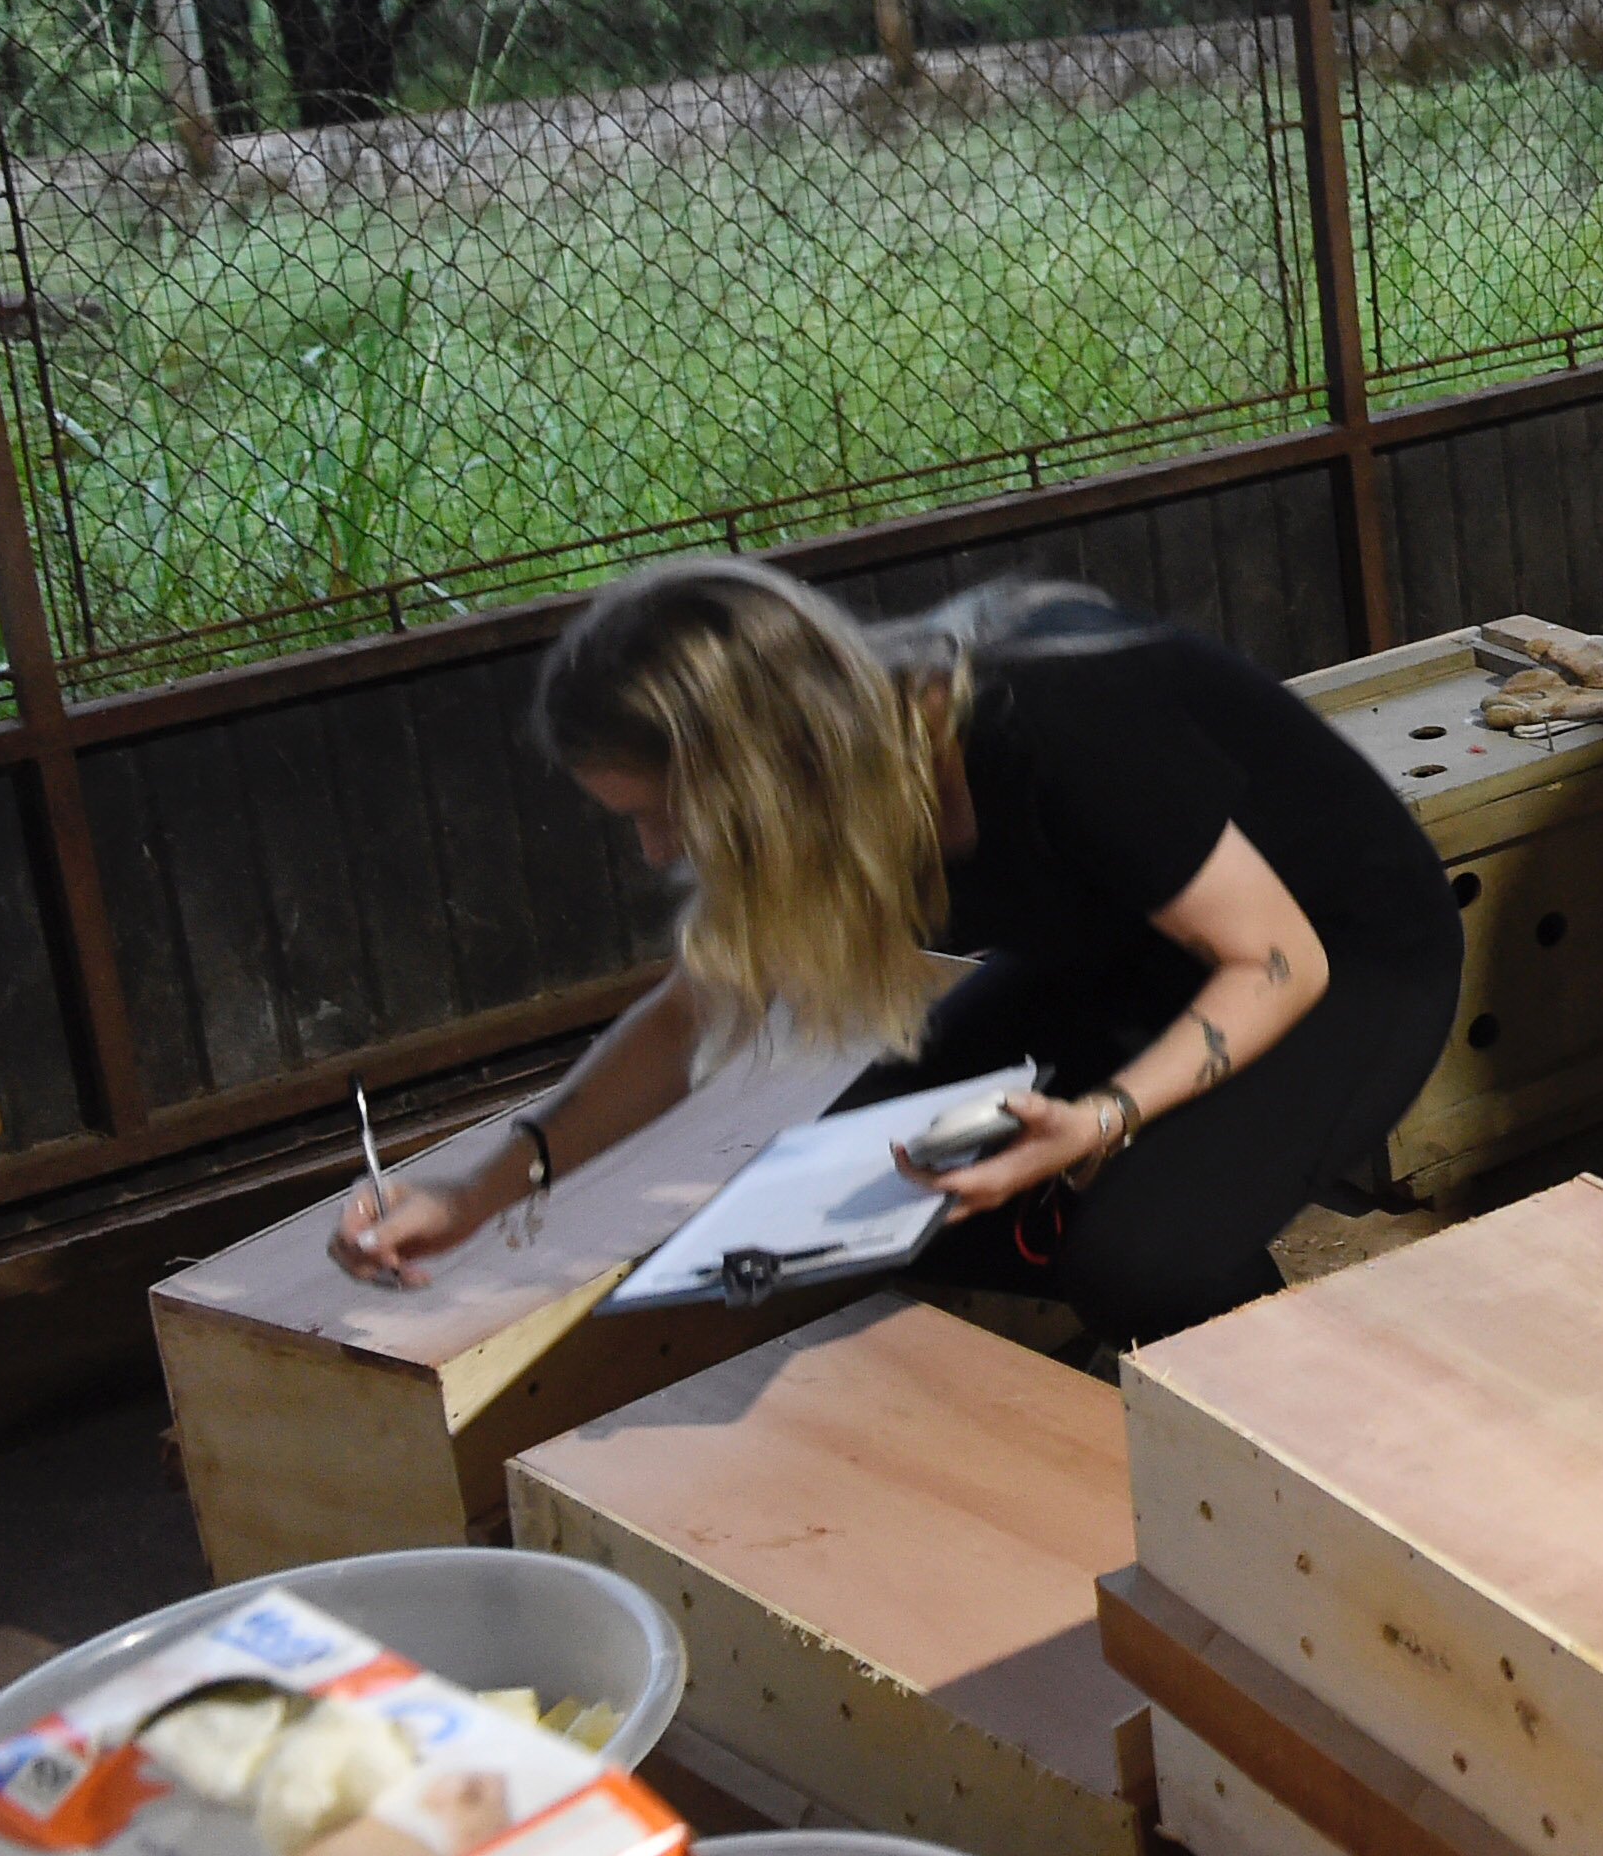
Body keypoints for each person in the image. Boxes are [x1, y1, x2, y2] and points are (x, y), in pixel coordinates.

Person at [332, 559, 1460, 1350]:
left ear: (758, 767)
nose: (658, 849)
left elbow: (1278, 960)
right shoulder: (837, 766)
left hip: (1343, 954)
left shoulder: (1052, 716)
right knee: (857, 1190)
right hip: (1124, 952)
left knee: (1142, 1262)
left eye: (662, 810)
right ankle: (1138, 1274)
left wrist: (1101, 1121)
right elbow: (687, 1022)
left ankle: (1259, 1391)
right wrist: (473, 1198)